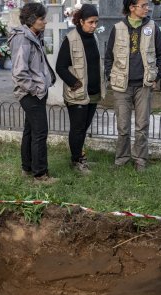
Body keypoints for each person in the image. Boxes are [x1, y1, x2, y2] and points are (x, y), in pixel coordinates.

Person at [104, 0, 161, 171]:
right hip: (121, 86)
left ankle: (140, 160)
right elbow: (108, 56)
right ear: (132, 7)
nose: (148, 8)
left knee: (142, 125)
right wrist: (110, 76)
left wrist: (157, 77)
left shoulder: (152, 27)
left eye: (147, 5)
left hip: (144, 85)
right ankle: (122, 159)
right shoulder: (117, 28)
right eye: (144, 5)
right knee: (123, 126)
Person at [8, 2, 57, 183]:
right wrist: (36, 89)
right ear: (31, 20)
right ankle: (40, 175)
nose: (45, 22)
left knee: (30, 130)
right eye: (42, 18)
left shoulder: (33, 35)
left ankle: (27, 168)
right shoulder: (23, 39)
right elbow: (19, 72)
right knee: (40, 132)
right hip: (30, 93)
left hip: (35, 92)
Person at [55, 4, 105, 174]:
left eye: (96, 22)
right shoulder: (71, 39)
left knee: (84, 128)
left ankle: (79, 156)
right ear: (81, 21)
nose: (94, 25)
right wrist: (75, 84)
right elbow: (60, 67)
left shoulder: (94, 38)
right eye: (91, 22)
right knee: (77, 128)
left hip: (93, 93)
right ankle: (77, 161)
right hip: (77, 94)